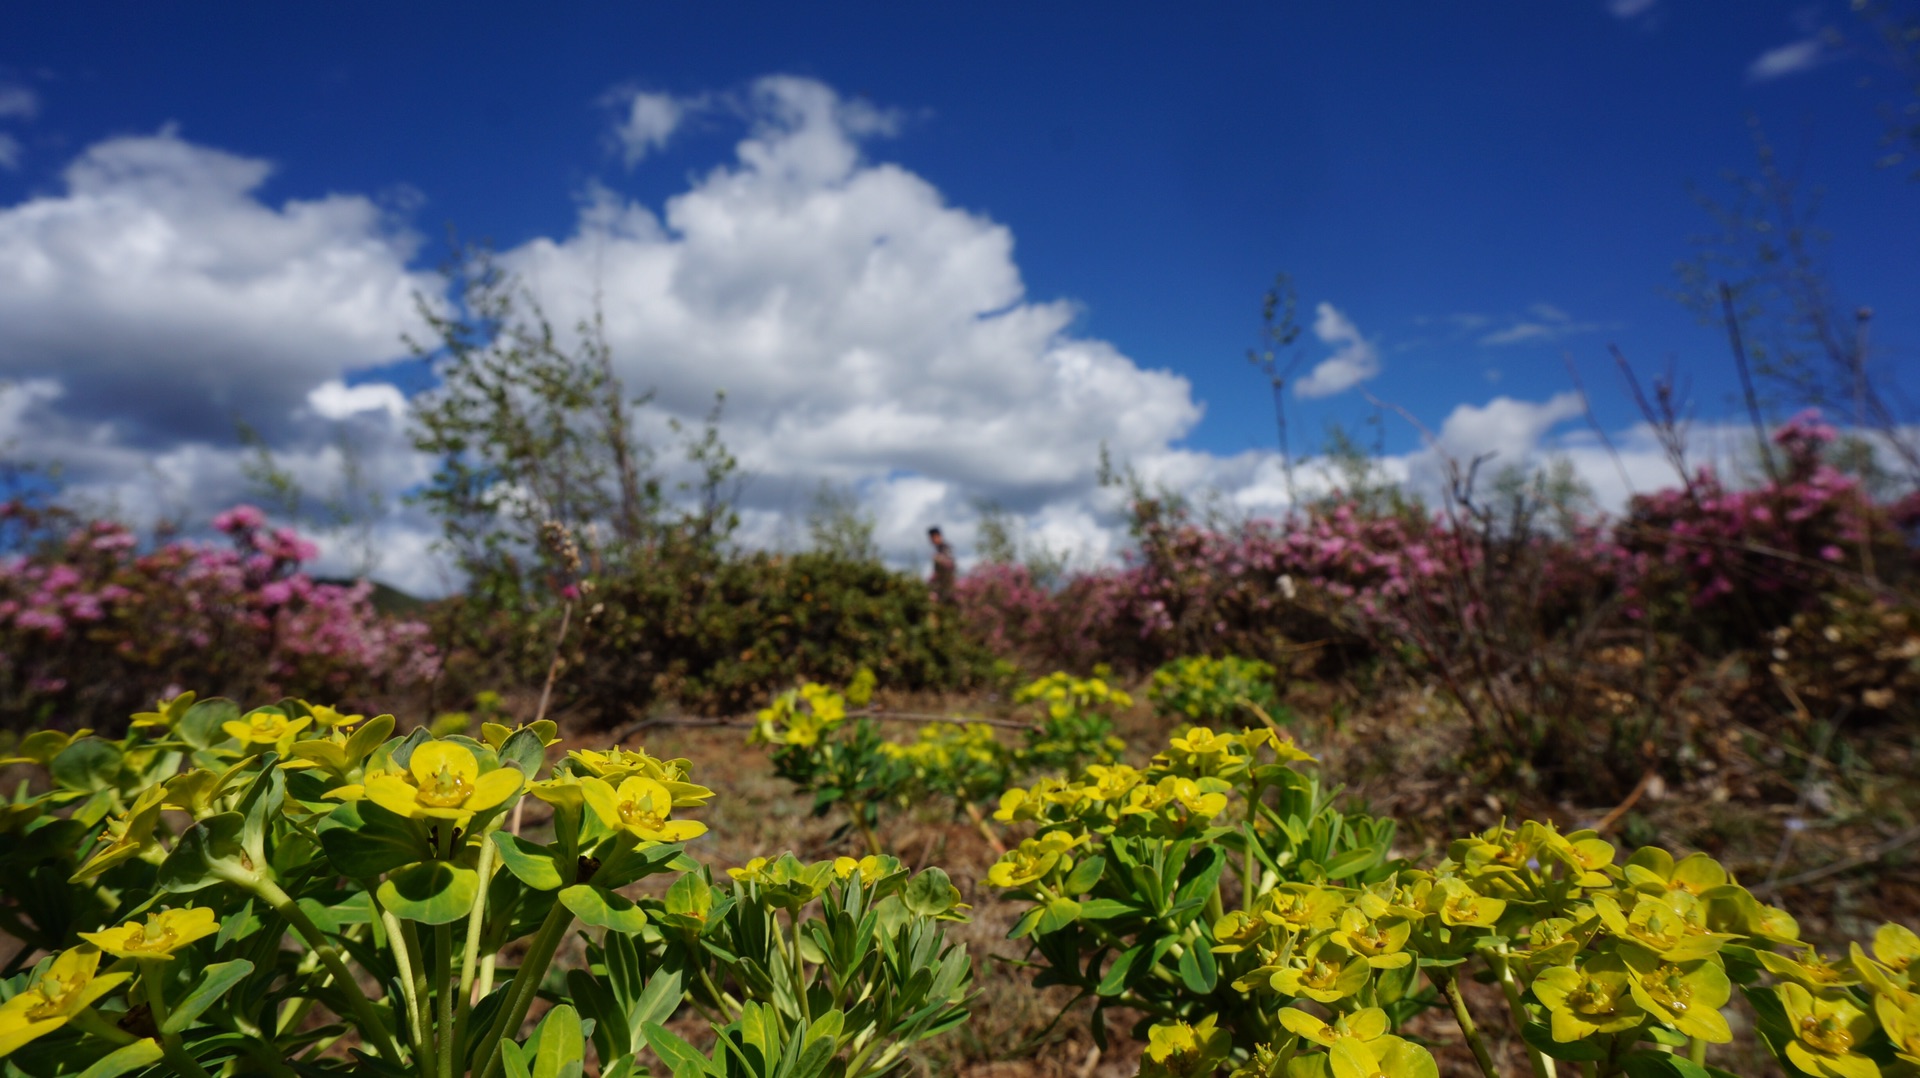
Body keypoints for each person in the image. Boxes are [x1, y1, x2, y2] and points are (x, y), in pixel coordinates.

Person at [927, 526, 956, 605]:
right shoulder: (938, 549)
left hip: (946, 586)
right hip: (941, 585)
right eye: (931, 538)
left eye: (933, 537)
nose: (932, 540)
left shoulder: (945, 548)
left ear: (938, 536)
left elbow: (950, 565)